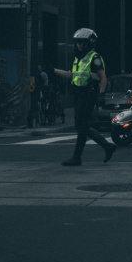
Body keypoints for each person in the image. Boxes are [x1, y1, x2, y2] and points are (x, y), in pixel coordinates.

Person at [54, 28, 114, 166]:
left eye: (81, 42)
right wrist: (53, 70)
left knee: (81, 126)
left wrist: (101, 96)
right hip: (79, 94)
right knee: (82, 126)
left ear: (89, 43)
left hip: (88, 93)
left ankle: (77, 157)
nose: (78, 45)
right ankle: (107, 146)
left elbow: (103, 78)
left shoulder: (94, 58)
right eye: (77, 43)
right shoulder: (78, 59)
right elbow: (70, 75)